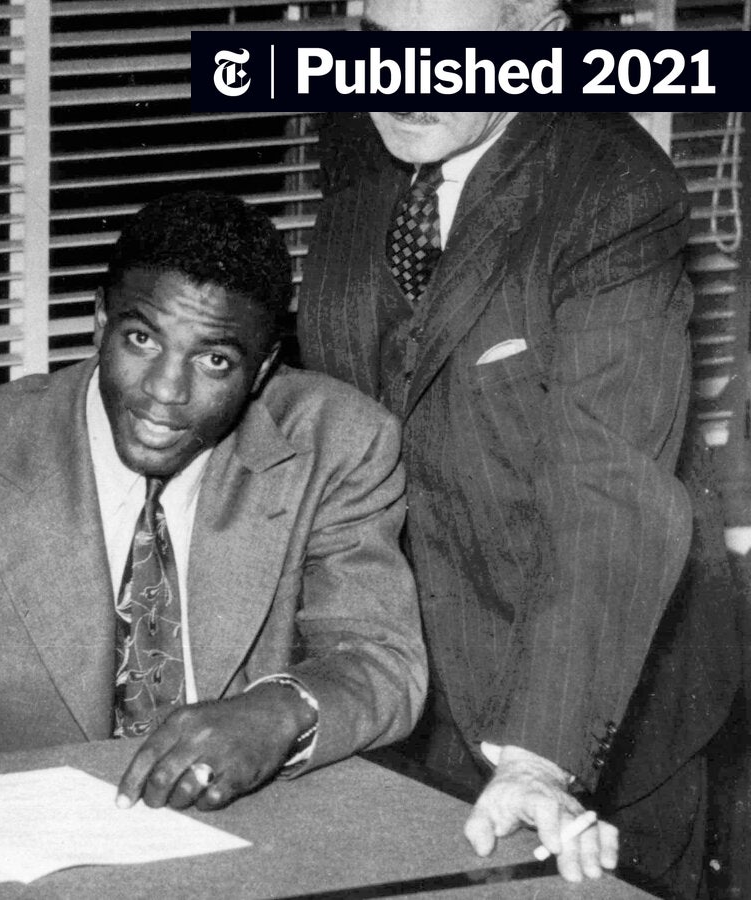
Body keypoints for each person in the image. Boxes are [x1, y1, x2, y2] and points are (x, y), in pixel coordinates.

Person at [296, 0, 743, 892]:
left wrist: (541, 753)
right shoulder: (369, 131)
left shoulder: (611, 191)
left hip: (589, 706)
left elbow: (607, 490)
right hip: (406, 699)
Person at [0, 191, 426, 812]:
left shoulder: (339, 443)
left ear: (261, 372)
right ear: (100, 321)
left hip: (252, 839)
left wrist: (278, 711)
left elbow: (379, 658)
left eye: (214, 360)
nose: (164, 392)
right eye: (141, 340)